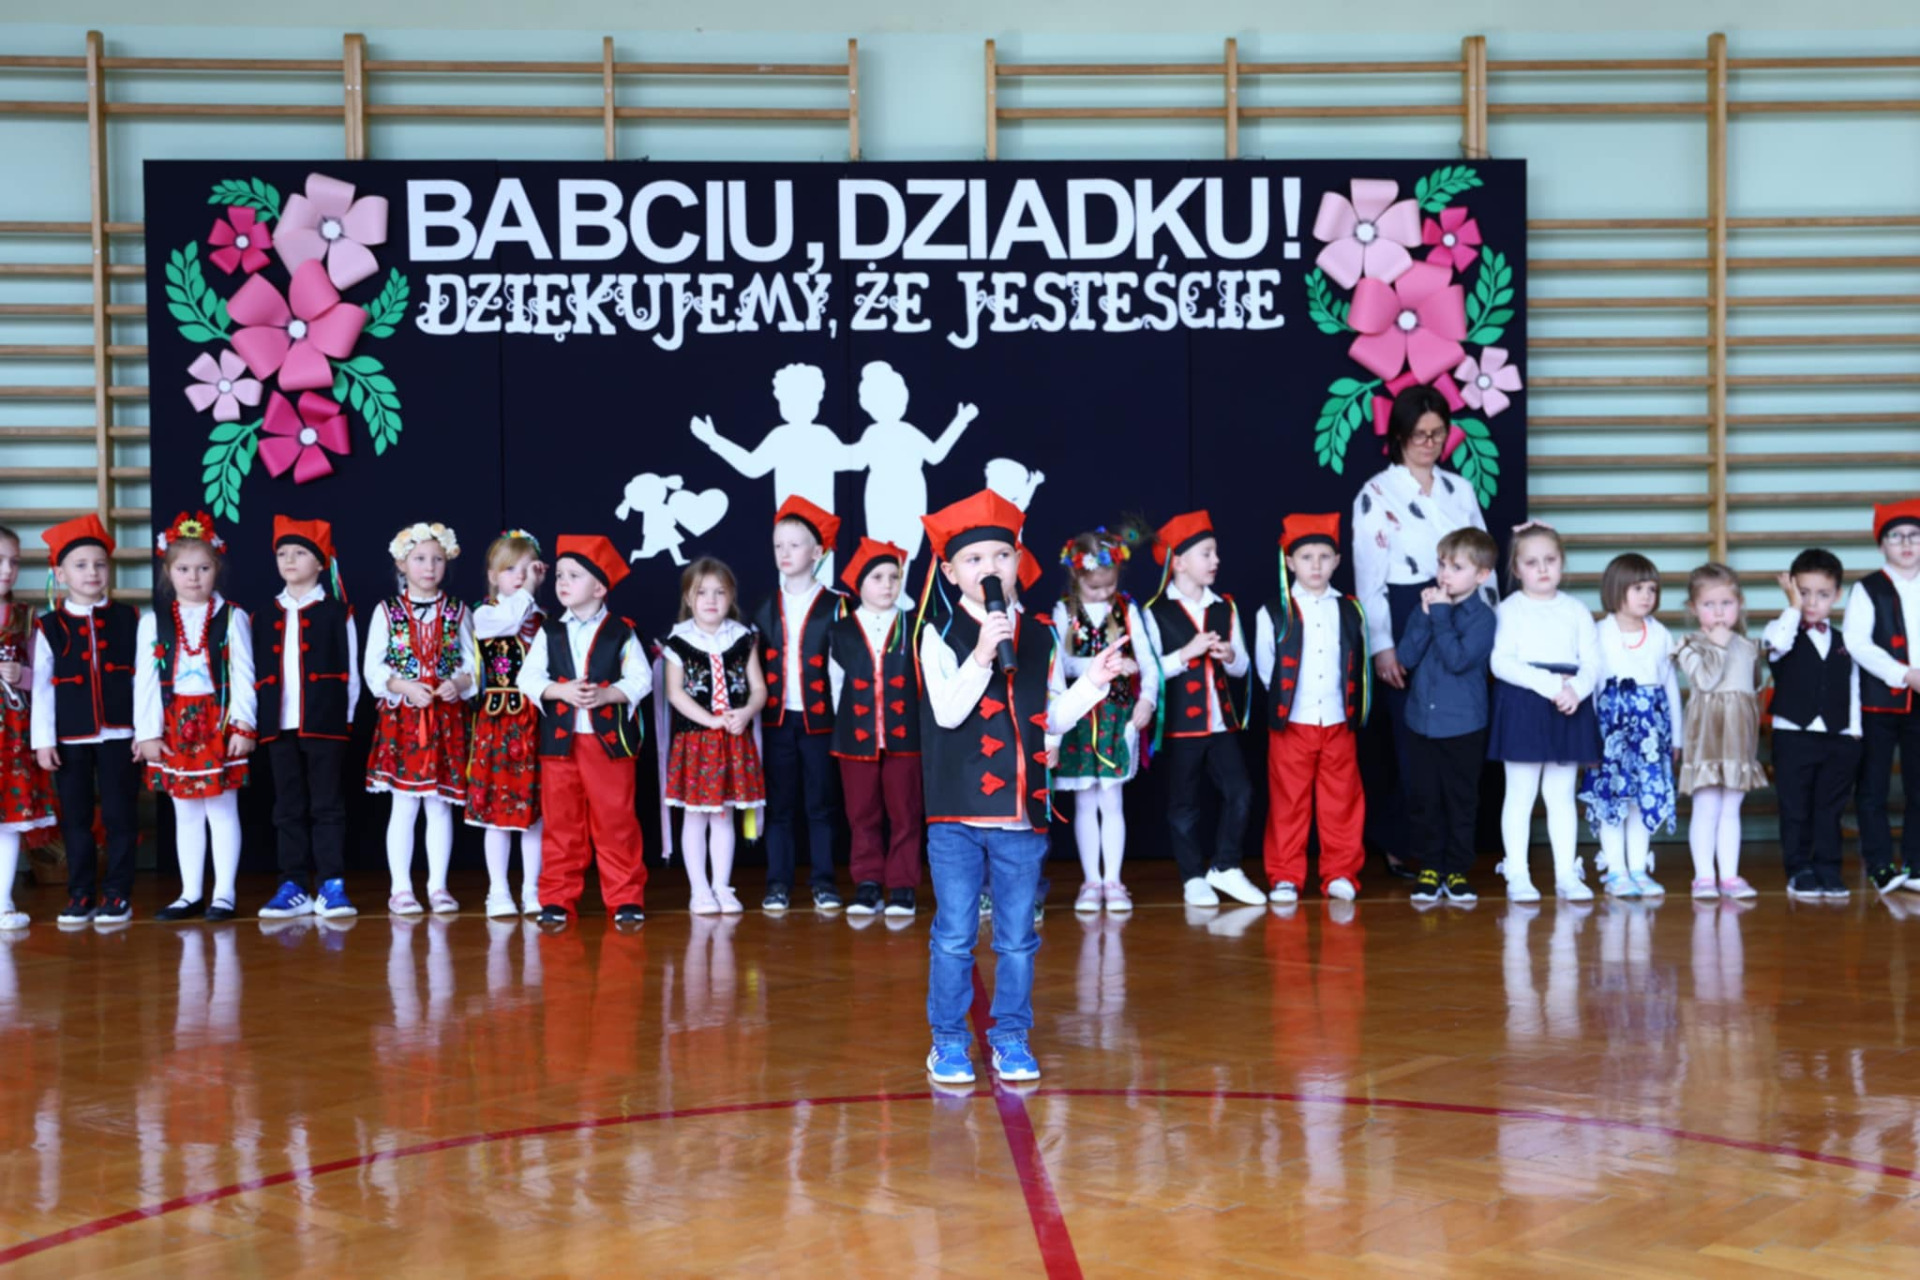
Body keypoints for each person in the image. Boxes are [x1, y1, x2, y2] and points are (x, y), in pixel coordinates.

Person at [915, 489, 1125, 1086]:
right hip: (957, 816)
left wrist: (1093, 685)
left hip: (1022, 816)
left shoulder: (1039, 634)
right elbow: (948, 712)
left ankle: (1010, 1036)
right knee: (955, 936)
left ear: (1017, 562)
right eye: (975, 559)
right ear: (951, 572)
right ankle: (948, 1041)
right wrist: (982, 654)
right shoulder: (936, 633)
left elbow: (1049, 719)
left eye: (1001, 556)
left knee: (1016, 939)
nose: (990, 568)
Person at [1352, 385, 1492, 879]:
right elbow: (1369, 579)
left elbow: (1484, 560)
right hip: (1408, 608)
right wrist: (1382, 646)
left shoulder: (1460, 489)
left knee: (1460, 737)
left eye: (1438, 434)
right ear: (1399, 436)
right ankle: (1402, 844)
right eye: (1420, 435)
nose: (1430, 443)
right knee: (1412, 742)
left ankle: (1456, 852)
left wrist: (1488, 624)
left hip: (1465, 611)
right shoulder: (1376, 492)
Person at [516, 535, 652, 926]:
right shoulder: (550, 631)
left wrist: (609, 694)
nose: (562, 582)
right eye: (560, 575)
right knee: (561, 822)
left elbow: (641, 679)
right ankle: (557, 898)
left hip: (608, 745)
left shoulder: (621, 631)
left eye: (574, 575)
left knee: (616, 821)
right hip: (560, 744)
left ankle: (625, 898)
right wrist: (560, 690)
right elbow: (528, 678)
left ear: (599, 587)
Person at [135, 512, 256, 923]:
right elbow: (146, 681)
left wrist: (243, 724)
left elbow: (243, 675)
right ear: (168, 572)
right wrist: (147, 732)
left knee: (221, 809)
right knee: (185, 812)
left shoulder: (233, 616)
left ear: (216, 569)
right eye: (184, 569)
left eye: (203, 568)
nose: (193, 577)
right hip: (174, 723)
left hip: (217, 722)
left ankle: (224, 893)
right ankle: (190, 893)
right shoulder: (153, 622)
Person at [1141, 511, 1263, 908]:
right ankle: (1192, 877)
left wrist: (1229, 656)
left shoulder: (1225, 607)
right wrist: (1186, 654)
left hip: (1221, 724)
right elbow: (1149, 671)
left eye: (1216, 553)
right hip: (1180, 727)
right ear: (1178, 562)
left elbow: (1243, 667)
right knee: (1183, 805)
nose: (1216, 560)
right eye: (1206, 553)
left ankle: (1226, 865)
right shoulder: (1155, 611)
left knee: (1240, 792)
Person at [1254, 513, 1372, 903]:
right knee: (1288, 801)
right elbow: (1267, 670)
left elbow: (1358, 663)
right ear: (1290, 562)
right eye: (1306, 557)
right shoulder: (1273, 611)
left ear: (1337, 561)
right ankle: (1285, 875)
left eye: (1324, 557)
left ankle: (1340, 872)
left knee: (1342, 800)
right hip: (1293, 723)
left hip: (1338, 720)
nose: (1316, 565)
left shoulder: (1351, 609)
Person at [31, 514, 140, 925]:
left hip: (121, 735)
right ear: (60, 574)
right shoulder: (48, 627)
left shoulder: (131, 618)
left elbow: (145, 683)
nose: (92, 572)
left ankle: (118, 893)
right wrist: (44, 740)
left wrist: (145, 732)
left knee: (119, 816)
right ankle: (79, 894)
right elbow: (42, 688)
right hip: (69, 739)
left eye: (99, 564)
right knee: (75, 819)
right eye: (80, 565)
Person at [366, 521, 475, 915]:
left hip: (445, 719)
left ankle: (438, 886)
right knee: (405, 805)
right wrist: (403, 686)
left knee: (440, 805)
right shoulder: (387, 611)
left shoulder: (458, 611)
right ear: (402, 564)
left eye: (437, 559)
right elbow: (373, 667)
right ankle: (401, 888)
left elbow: (473, 664)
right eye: (420, 559)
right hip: (405, 721)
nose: (429, 567)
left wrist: (458, 683)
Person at [1488, 522, 1601, 902]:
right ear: (1516, 568)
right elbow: (1501, 662)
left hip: (1569, 706)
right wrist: (1552, 685)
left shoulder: (1576, 610)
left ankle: (1566, 874)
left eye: (1550, 560)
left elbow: (1593, 663)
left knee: (1561, 794)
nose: (1542, 569)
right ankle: (1517, 874)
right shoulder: (1509, 610)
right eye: (1531, 562)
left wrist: (1576, 691)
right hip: (1524, 704)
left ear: (1561, 563)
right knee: (1520, 794)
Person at [255, 517, 361, 921]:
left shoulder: (338, 612)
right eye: (282, 553)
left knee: (327, 805)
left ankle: (332, 883)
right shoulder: (264, 614)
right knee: (287, 807)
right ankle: (293, 884)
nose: (289, 560)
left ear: (320, 562)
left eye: (300, 553)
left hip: (325, 723)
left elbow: (351, 669)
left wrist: (344, 719)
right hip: (278, 726)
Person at [750, 494, 848, 913]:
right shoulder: (763, 607)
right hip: (775, 720)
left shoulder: (837, 605)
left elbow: (845, 671)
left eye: (794, 544)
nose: (784, 553)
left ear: (817, 552)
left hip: (821, 721)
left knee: (821, 805)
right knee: (779, 805)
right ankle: (778, 883)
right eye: (778, 545)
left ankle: (824, 881)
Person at [1051, 528, 1155, 914]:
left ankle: (1113, 880)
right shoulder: (1064, 610)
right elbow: (1061, 664)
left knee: (1112, 799)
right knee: (1085, 800)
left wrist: (1147, 699)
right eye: (1094, 587)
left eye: (1109, 586)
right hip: (1079, 718)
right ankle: (1091, 881)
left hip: (1116, 716)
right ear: (1077, 576)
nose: (1103, 593)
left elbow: (1149, 662)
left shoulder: (1128, 610)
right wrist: (1105, 667)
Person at [1396, 525, 1499, 905]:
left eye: (1456, 567)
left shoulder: (1483, 618)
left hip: (1462, 726)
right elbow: (1406, 657)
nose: (1444, 575)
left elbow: (1457, 659)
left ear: (1481, 575)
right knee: (1424, 799)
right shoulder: (1427, 607)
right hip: (1421, 722)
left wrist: (1439, 614)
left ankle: (1456, 870)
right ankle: (1429, 867)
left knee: (1460, 800)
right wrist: (1426, 616)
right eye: (1441, 565)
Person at [663, 557, 767, 916]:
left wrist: (746, 712)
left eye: (720, 592)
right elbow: (675, 693)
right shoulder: (679, 641)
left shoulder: (742, 638)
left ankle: (722, 885)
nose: (711, 600)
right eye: (702, 592)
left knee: (723, 815)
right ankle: (699, 889)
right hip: (696, 741)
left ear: (731, 596)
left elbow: (759, 688)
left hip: (733, 740)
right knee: (696, 817)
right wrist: (709, 720)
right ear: (688, 598)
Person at [827, 537, 924, 918]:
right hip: (855, 740)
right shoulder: (841, 631)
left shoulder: (915, 627)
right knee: (861, 814)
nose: (887, 585)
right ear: (859, 583)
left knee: (906, 813)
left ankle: (902, 885)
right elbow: (836, 686)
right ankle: (867, 883)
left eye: (894, 577)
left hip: (906, 738)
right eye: (878, 577)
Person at [1578, 553, 1681, 900]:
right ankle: (1616, 871)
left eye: (1652, 589)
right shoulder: (1599, 633)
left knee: (1641, 801)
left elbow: (1669, 687)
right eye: (1638, 588)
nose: (1646, 596)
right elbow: (1592, 689)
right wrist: (1589, 739)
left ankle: (1638, 868)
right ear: (1615, 589)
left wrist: (1676, 738)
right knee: (1612, 802)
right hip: (1611, 734)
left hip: (1651, 734)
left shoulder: (1660, 633)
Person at [1766, 549, 1860, 901]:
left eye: (1822, 594)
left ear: (1837, 595)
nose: (1811, 602)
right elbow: (1779, 643)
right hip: (1793, 735)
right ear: (1791, 590)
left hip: (1838, 736)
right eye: (1803, 592)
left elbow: (1854, 687)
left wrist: (1855, 732)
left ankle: (1828, 868)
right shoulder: (1780, 629)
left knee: (1830, 808)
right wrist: (1791, 605)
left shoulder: (1847, 640)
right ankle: (1799, 869)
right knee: (1795, 807)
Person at [468, 531, 548, 918]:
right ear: (492, 575)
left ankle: (532, 888)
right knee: (497, 816)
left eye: (527, 568)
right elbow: (511, 620)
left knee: (535, 815)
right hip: (500, 723)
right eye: (510, 569)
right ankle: (498, 890)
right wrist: (528, 588)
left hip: (536, 722)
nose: (519, 576)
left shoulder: (545, 621)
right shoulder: (485, 614)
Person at [1844, 499, 1920, 895]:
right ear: (1881, 544)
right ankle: (1879, 865)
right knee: (1873, 786)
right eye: (1896, 536)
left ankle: (1917, 863)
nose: (1906, 544)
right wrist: (1904, 674)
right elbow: (1857, 643)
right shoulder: (1868, 587)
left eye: (1914, 536)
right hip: (1878, 702)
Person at [1676, 563, 1765, 901]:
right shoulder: (1689, 644)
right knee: (1707, 806)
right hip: (1707, 737)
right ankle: (1703, 877)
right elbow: (1706, 680)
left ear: (1739, 604)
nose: (1718, 612)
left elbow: (1752, 690)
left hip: (1738, 738)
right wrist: (1718, 644)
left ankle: (1729, 875)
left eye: (1726, 603)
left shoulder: (1748, 646)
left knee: (1731, 808)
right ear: (1693, 608)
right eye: (1708, 605)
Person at [854, 360, 978, 561]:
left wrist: (960, 421)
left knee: (905, 548)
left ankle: (900, 581)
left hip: (909, 494)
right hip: (881, 495)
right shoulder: (873, 433)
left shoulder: (908, 432)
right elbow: (857, 460)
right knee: (882, 552)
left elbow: (935, 454)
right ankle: (887, 580)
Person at [0, 524, 57, 930]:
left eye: (14, 562)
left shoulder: (26, 618)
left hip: (12, 734)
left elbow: (45, 677)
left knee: (8, 819)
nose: (7, 570)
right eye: (0, 561)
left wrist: (21, 675)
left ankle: (3, 900)